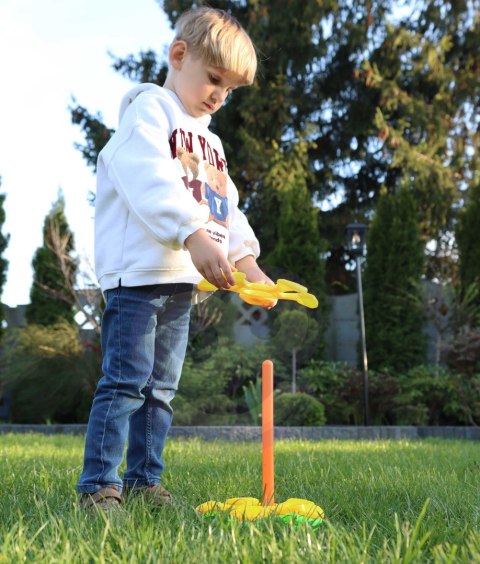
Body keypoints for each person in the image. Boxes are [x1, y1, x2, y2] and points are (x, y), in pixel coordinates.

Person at [77, 6, 272, 511]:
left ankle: (145, 482)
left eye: (228, 89)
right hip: (138, 276)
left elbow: (222, 205)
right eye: (213, 78)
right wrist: (191, 233)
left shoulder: (210, 142)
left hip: (181, 281)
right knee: (125, 384)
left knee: (160, 390)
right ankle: (98, 486)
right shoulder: (149, 112)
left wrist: (244, 258)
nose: (219, 96)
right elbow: (149, 178)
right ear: (179, 55)